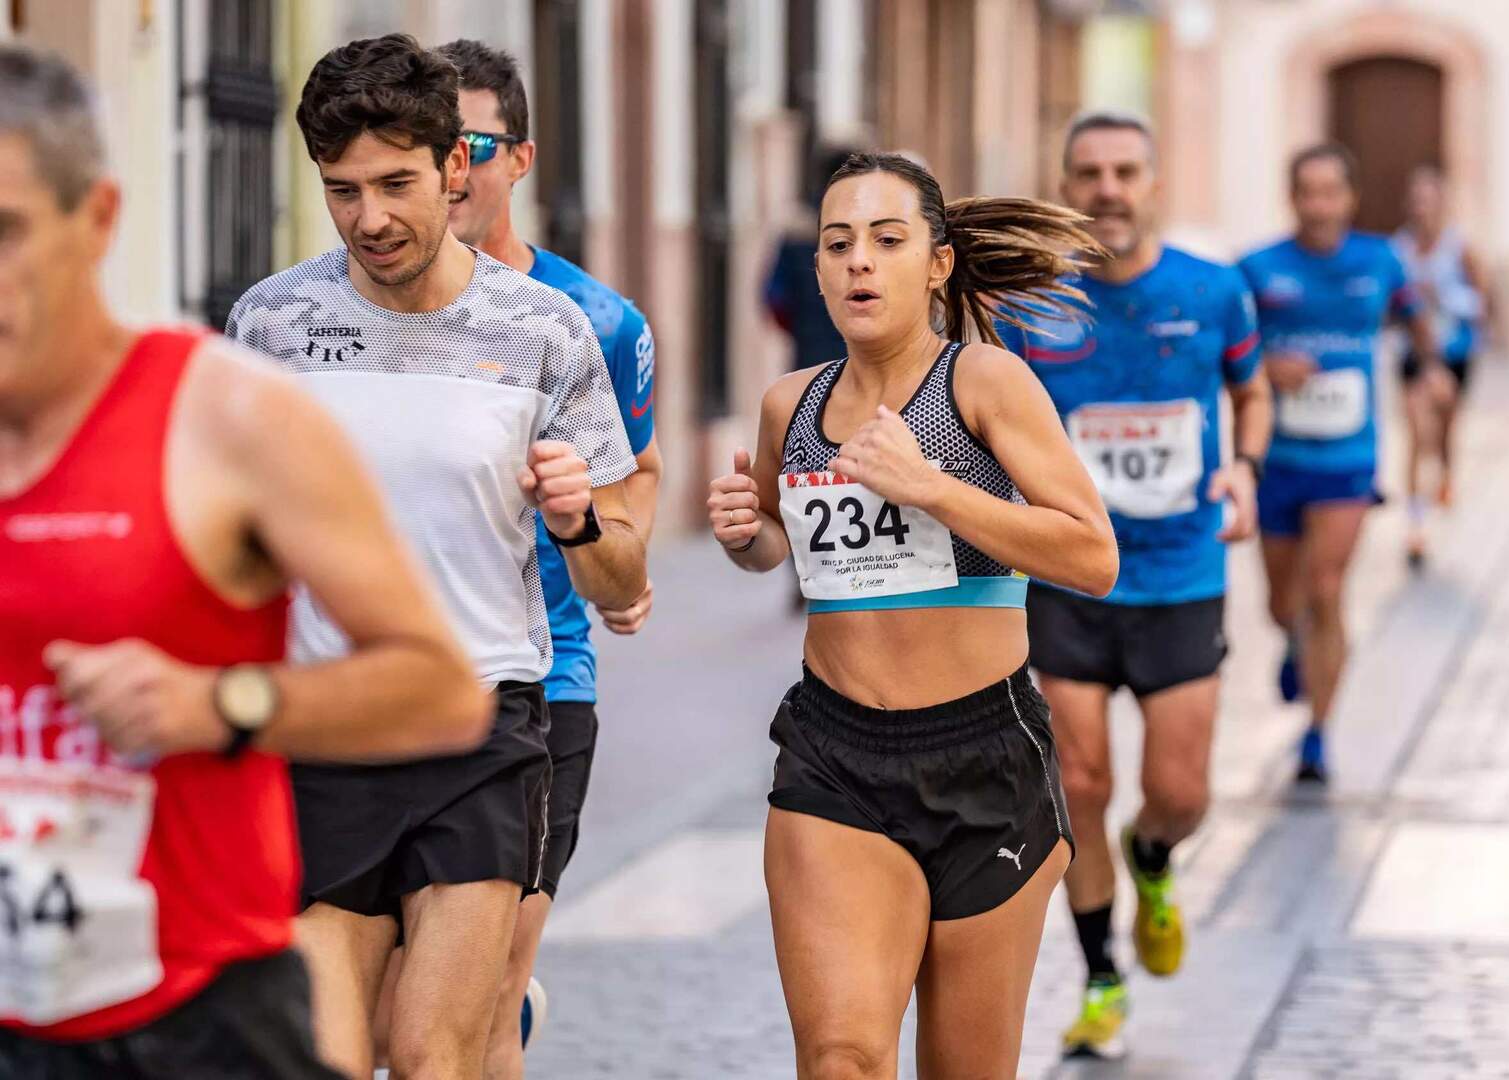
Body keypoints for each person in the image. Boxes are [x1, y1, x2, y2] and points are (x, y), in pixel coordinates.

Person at [0, 44, 489, 1077]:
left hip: (192, 1019)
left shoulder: (224, 412)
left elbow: (444, 690)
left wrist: (223, 706)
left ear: (95, 220)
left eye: (5, 233)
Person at [226, 35, 648, 1079]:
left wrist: (577, 522)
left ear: (457, 168)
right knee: (322, 1057)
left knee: (431, 1056)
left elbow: (625, 581)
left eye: (396, 183)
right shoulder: (273, 325)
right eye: (342, 190)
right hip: (326, 728)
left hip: (481, 724)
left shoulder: (545, 331)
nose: (370, 217)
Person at [707, 151, 1117, 1078]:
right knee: (842, 1058)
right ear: (816, 267)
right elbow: (780, 543)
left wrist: (932, 487)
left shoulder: (983, 383)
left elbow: (1092, 553)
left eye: (887, 241)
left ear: (936, 263)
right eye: (838, 243)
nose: (859, 262)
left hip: (986, 757)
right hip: (834, 753)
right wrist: (746, 535)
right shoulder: (792, 404)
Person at [996, 111, 1270, 1060]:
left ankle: (1154, 858)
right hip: (1071, 581)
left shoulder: (1214, 290)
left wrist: (1246, 466)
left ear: (1153, 182)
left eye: (1124, 171)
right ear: (1065, 184)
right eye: (1089, 172)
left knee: (1178, 791)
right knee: (1080, 784)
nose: (1107, 188)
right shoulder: (1032, 308)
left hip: (1183, 573)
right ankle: (1104, 979)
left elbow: (1253, 390)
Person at [1238, 143, 1442, 785]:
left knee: (1327, 590)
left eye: (1332, 191)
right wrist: (1267, 370)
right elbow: (1228, 351)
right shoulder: (1256, 269)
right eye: (1308, 192)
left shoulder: (1381, 261)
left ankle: (1318, 735)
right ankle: (1293, 639)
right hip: (1278, 457)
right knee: (1280, 603)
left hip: (1347, 460)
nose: (1320, 204)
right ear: (1292, 197)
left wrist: (1429, 369)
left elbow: (1415, 318)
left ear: (1350, 198)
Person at [1393, 166, 1491, 568]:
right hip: (1414, 354)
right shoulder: (1397, 250)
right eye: (1416, 201)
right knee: (1418, 433)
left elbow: (1483, 301)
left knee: (1446, 431)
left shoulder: (1460, 247)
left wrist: (1446, 297)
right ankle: (1416, 526)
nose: (1423, 209)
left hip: (1456, 352)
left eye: (1430, 200)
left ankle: (1448, 475)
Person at [766, 145, 856, 371]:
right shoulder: (873, 228)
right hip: (859, 353)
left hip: (809, 353)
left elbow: (776, 299)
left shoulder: (798, 227)